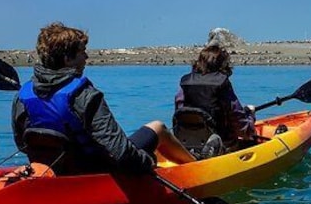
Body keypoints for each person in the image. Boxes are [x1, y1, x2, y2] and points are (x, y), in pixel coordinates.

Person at [11, 22, 193, 176]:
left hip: (57, 171)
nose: (87, 57)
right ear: (67, 59)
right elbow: (121, 153)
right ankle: (197, 168)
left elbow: (23, 144)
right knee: (158, 128)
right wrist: (149, 162)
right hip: (96, 172)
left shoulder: (22, 96)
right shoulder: (84, 95)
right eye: (82, 52)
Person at [174, 42, 256, 158]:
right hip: (223, 146)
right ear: (223, 65)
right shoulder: (222, 84)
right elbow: (240, 126)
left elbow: (180, 113)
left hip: (188, 145)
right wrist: (251, 117)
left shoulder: (185, 83)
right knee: (250, 142)